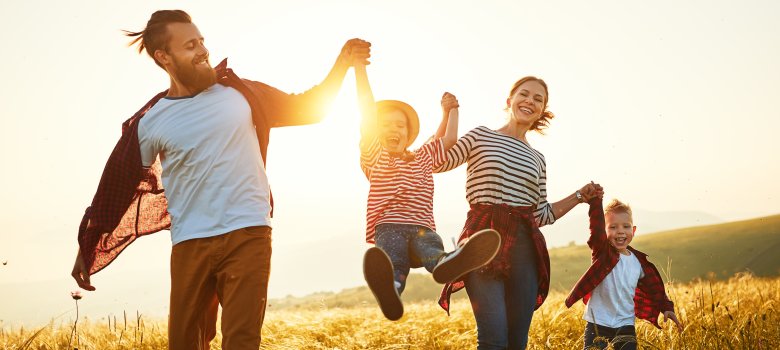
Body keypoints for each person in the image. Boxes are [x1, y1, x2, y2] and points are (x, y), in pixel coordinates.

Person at [68, 9, 370, 350]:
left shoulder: (240, 94)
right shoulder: (151, 122)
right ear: (164, 57)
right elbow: (118, 186)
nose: (202, 50)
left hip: (248, 234)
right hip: (190, 243)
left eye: (201, 41)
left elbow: (309, 108)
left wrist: (342, 62)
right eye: (190, 45)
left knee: (242, 340)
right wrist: (88, 245)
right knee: (185, 343)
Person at [435, 76, 603, 349]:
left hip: (524, 247)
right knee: (494, 339)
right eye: (524, 94)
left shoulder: (538, 159)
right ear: (509, 101)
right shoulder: (481, 136)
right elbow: (440, 160)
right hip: (482, 242)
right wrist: (448, 114)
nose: (530, 101)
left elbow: (541, 214)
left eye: (538, 99)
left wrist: (579, 196)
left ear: (541, 111)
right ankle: (453, 255)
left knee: (516, 342)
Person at [354, 61, 501, 321]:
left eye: (400, 126)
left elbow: (448, 139)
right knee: (394, 263)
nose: (393, 129)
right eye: (385, 125)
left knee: (432, 251)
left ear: (409, 134)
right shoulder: (375, 155)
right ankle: (392, 291)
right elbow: (366, 110)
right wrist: (360, 71)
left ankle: (448, 263)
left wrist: (452, 111)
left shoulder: (423, 157)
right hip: (389, 227)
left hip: (423, 228)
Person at [566, 198, 683, 350]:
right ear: (604, 231)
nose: (620, 231)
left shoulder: (638, 262)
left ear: (633, 231)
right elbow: (595, 227)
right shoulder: (602, 253)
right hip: (598, 323)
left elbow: (655, 290)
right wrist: (596, 200)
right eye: (613, 227)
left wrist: (666, 307)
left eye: (626, 226)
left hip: (625, 324)